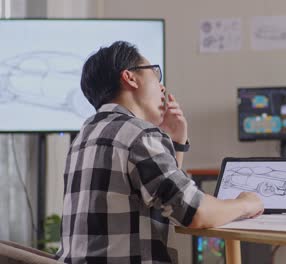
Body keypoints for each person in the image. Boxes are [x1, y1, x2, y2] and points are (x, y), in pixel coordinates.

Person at [55, 41, 264, 264]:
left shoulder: (85, 135)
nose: (162, 87)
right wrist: (246, 203)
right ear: (130, 78)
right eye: (155, 73)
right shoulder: (138, 134)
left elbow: (164, 200)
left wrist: (176, 142)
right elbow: (194, 211)